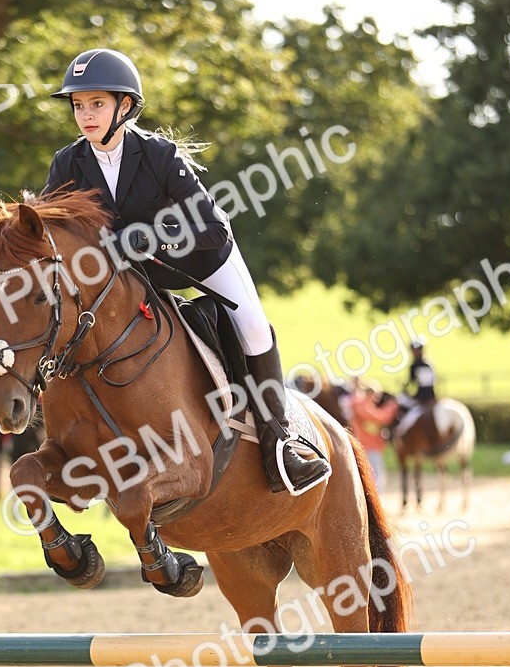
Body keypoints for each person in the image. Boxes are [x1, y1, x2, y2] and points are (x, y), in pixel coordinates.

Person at [43, 47, 329, 494]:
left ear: (125, 106)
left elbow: (211, 226)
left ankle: (280, 443)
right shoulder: (67, 163)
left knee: (253, 327)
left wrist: (151, 237)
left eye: (96, 104)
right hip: (139, 277)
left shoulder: (159, 154)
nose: (85, 115)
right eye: (79, 105)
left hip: (202, 259)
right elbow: (48, 231)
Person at [347, 380, 398, 485]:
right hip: (370, 448)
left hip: (367, 446)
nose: (377, 399)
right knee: (377, 478)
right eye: (376, 395)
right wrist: (392, 405)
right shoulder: (363, 408)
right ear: (371, 394)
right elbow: (382, 418)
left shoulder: (360, 405)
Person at [395, 339, 437, 436]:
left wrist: (405, 390)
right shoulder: (429, 363)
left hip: (421, 398)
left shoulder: (416, 364)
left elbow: (413, 384)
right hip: (431, 397)